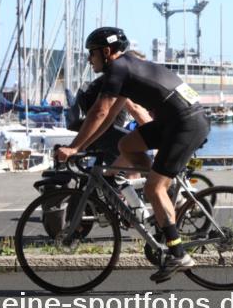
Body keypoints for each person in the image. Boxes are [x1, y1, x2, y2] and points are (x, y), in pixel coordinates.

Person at [56, 27, 211, 283]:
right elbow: (104, 120)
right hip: (173, 122)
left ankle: (178, 252)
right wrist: (81, 146)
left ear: (106, 52)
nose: (88, 59)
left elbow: (98, 112)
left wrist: (73, 148)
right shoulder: (127, 68)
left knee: (155, 188)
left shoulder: (118, 69)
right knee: (127, 145)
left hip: (185, 124)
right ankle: (158, 204)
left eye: (91, 53)